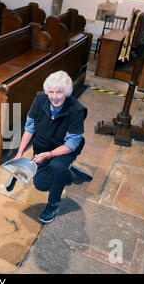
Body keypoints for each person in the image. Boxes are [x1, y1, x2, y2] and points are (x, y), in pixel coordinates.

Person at [12, 70, 92, 224]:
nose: (54, 97)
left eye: (59, 92)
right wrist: (19, 153)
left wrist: (48, 154)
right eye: (51, 92)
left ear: (67, 92)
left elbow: (71, 143)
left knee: (57, 167)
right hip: (42, 146)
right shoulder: (40, 100)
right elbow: (29, 128)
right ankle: (70, 174)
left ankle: (52, 205)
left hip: (64, 149)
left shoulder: (76, 110)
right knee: (41, 184)